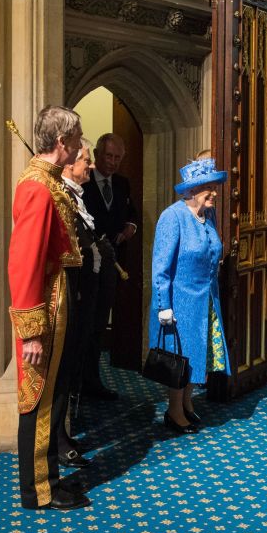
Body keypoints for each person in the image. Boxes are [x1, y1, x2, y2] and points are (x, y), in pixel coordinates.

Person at [7, 105, 90, 511]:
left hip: (61, 298)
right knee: (41, 398)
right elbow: (24, 263)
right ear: (63, 142)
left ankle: (50, 480)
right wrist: (32, 331)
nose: (79, 147)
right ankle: (38, 490)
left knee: (55, 396)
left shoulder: (48, 181)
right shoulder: (37, 187)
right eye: (76, 140)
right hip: (47, 306)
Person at [147, 157, 231, 434]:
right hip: (179, 301)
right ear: (192, 190)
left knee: (198, 353)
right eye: (209, 187)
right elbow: (161, 264)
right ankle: (173, 411)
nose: (215, 193)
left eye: (215, 186)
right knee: (179, 358)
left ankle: (186, 404)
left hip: (205, 298)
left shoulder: (209, 215)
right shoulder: (172, 217)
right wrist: (164, 306)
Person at [58, 138, 111, 469]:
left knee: (75, 365)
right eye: (86, 160)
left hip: (84, 294)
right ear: (69, 165)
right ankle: (59, 438)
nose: (90, 166)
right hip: (69, 297)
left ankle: (65, 434)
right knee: (64, 371)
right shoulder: (59, 196)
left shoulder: (75, 196)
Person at [81, 133, 139, 400]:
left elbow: (132, 215)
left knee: (100, 323)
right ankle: (80, 383)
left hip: (113, 266)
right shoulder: (83, 182)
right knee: (86, 325)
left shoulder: (123, 184)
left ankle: (93, 381)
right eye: (109, 156)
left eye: (118, 158)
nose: (113, 162)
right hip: (85, 268)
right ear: (97, 155)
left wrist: (131, 227)